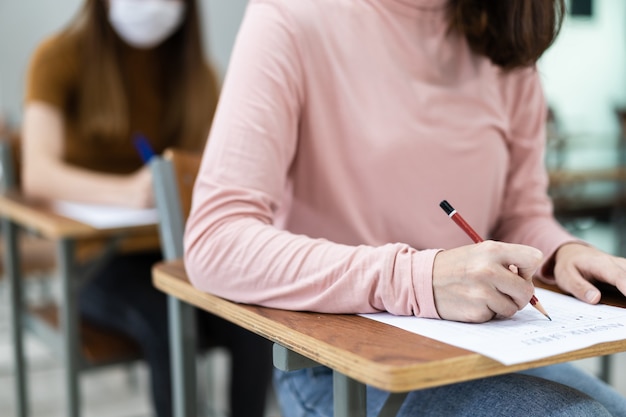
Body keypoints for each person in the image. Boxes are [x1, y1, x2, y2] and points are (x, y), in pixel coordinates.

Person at [183, 0, 626, 416]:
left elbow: (521, 215)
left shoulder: (504, 32)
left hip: (489, 341)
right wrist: (419, 279)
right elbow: (215, 240)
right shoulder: (292, 17)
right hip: (340, 361)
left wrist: (563, 254)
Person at [20, 0, 273, 416]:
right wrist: (128, 191)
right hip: (95, 263)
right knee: (164, 319)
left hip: (179, 252)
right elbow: (38, 173)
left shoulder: (197, 74)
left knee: (252, 321)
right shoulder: (57, 59)